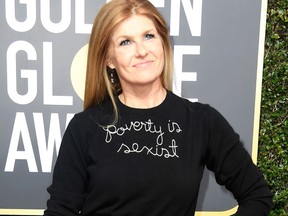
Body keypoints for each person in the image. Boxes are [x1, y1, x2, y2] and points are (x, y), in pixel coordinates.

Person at [43, 0, 273, 215]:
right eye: (125, 42)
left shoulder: (201, 121)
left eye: (149, 36)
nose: (141, 51)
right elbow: (60, 210)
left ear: (163, 43)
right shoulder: (85, 128)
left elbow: (257, 195)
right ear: (109, 59)